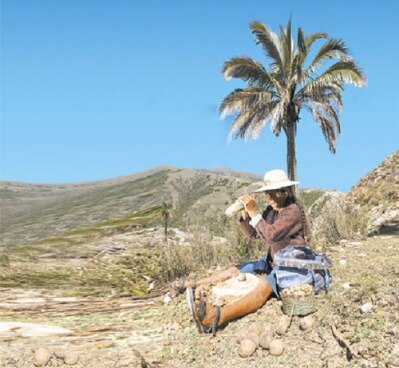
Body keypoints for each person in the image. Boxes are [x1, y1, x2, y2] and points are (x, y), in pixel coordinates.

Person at [180, 169, 312, 334]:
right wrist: (245, 214)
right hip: (273, 260)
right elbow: (254, 234)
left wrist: (253, 212)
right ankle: (193, 285)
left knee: (264, 285)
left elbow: (270, 235)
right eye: (266, 194)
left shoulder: (292, 211)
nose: (268, 198)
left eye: (271, 194)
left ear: (284, 192)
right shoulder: (273, 210)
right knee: (235, 270)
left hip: (291, 266)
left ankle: (217, 316)